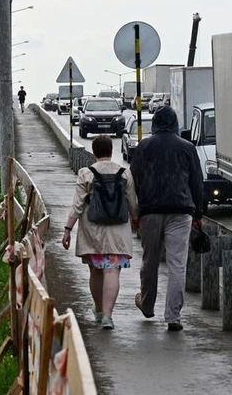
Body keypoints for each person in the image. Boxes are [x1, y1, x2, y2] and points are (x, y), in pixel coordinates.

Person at [130, 106, 204, 332]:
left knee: (150, 260)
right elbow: (197, 182)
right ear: (175, 124)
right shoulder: (187, 148)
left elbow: (133, 179)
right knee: (177, 264)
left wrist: (135, 213)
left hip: (150, 211)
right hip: (181, 211)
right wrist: (199, 214)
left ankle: (147, 304)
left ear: (154, 124)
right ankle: (173, 316)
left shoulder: (143, 147)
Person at [61, 135, 138, 330]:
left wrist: (68, 229)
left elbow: (77, 205)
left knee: (96, 270)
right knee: (112, 270)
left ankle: (98, 308)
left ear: (94, 152)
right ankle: (108, 316)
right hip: (118, 231)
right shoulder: (125, 173)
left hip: (92, 230)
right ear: (111, 151)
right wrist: (136, 221)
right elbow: (133, 203)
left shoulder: (86, 173)